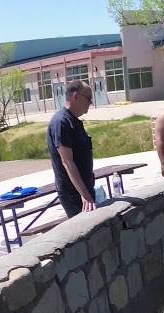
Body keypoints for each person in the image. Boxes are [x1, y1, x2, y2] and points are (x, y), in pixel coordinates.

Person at [46, 80, 97, 218]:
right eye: (89, 98)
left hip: (84, 189)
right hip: (74, 194)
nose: (90, 103)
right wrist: (85, 196)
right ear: (76, 96)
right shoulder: (61, 122)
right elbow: (67, 162)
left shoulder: (74, 121)